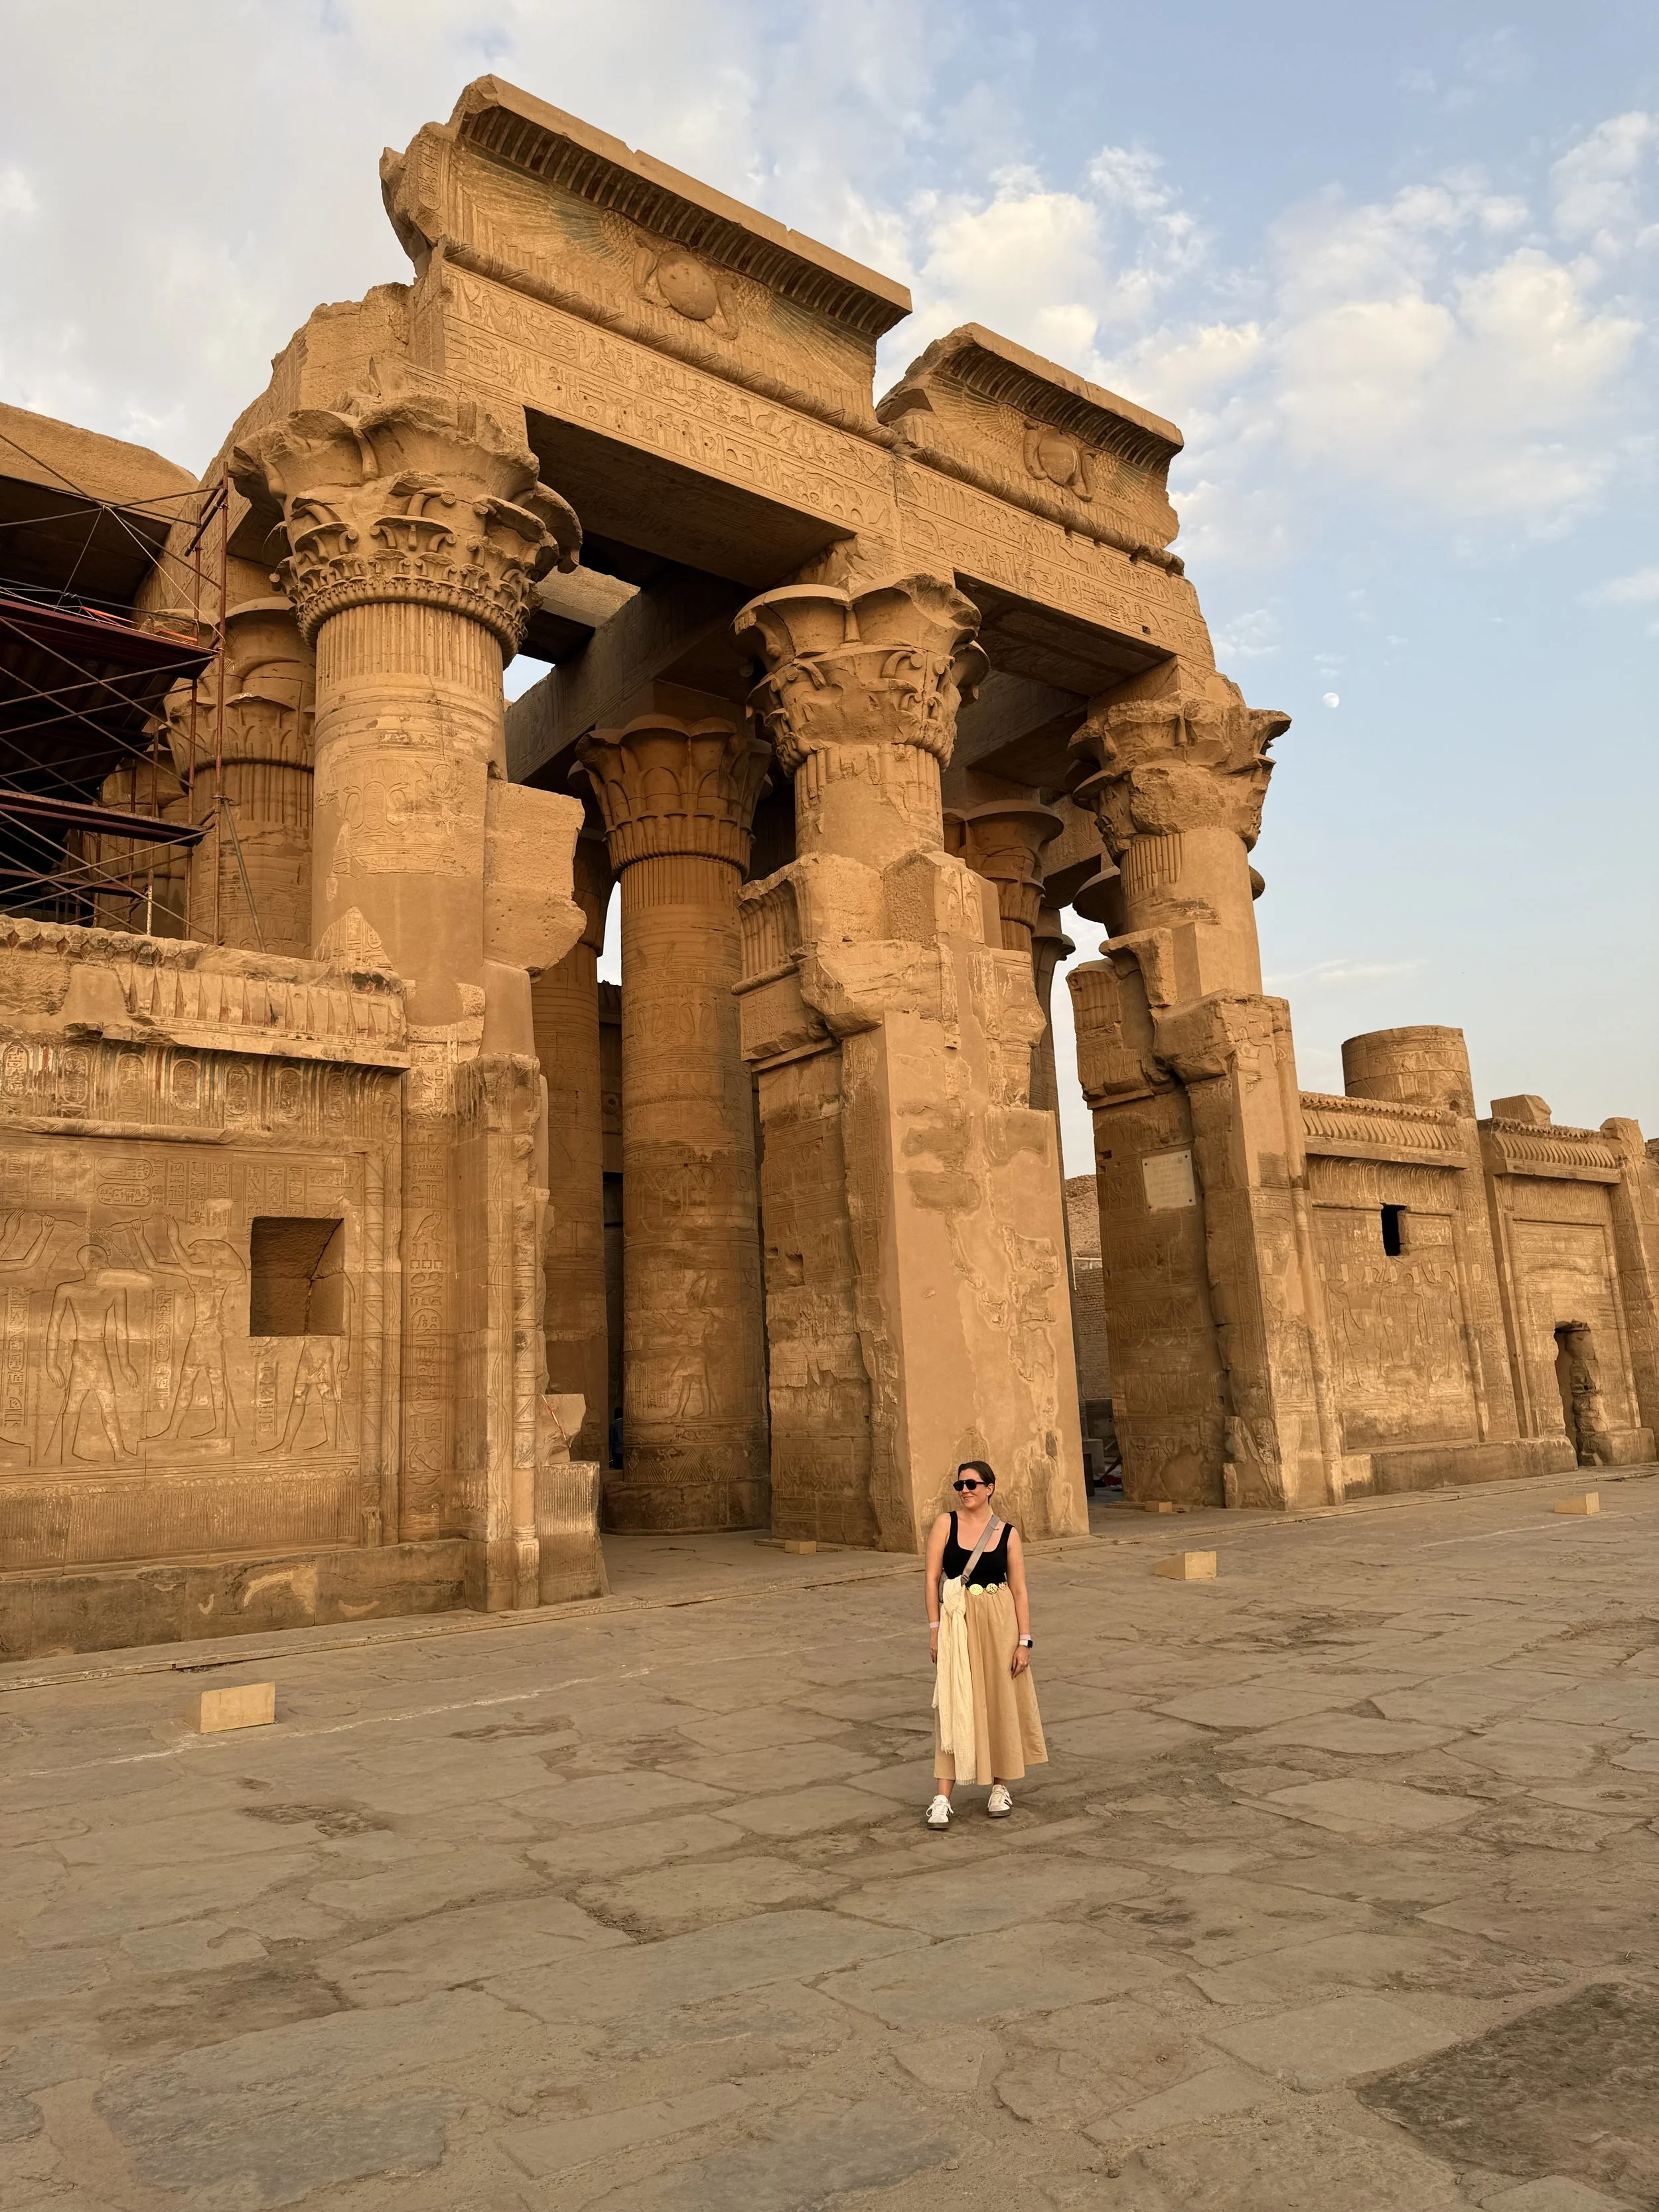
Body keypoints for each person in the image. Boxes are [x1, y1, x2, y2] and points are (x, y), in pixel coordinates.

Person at [924, 1459, 1046, 1828]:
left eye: (972, 1485)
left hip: (1000, 1622)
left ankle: (1000, 1786)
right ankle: (942, 1797)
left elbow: (1020, 1589)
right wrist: (934, 1628)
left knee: (1000, 1699)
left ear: (990, 1488)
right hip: (957, 1622)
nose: (965, 1491)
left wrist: (1024, 1641)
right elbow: (931, 1579)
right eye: (959, 1485)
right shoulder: (946, 1524)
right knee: (953, 1700)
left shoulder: (1008, 1533)